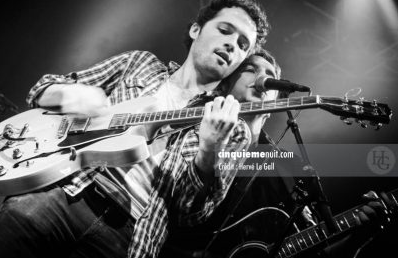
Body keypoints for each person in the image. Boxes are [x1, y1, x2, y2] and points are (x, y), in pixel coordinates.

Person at [0, 0, 270, 258]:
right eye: (225, 30)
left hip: (129, 235)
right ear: (195, 30)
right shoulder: (140, 64)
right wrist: (70, 95)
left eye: (243, 44)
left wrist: (209, 148)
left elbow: (192, 213)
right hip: (61, 192)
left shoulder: (234, 126)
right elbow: (42, 88)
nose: (232, 44)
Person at [127, 50, 397, 258]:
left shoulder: (286, 168)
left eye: (269, 73)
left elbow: (314, 249)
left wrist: (357, 236)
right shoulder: (195, 127)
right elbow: (174, 204)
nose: (261, 78)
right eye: (250, 69)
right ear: (223, 87)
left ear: (276, 102)